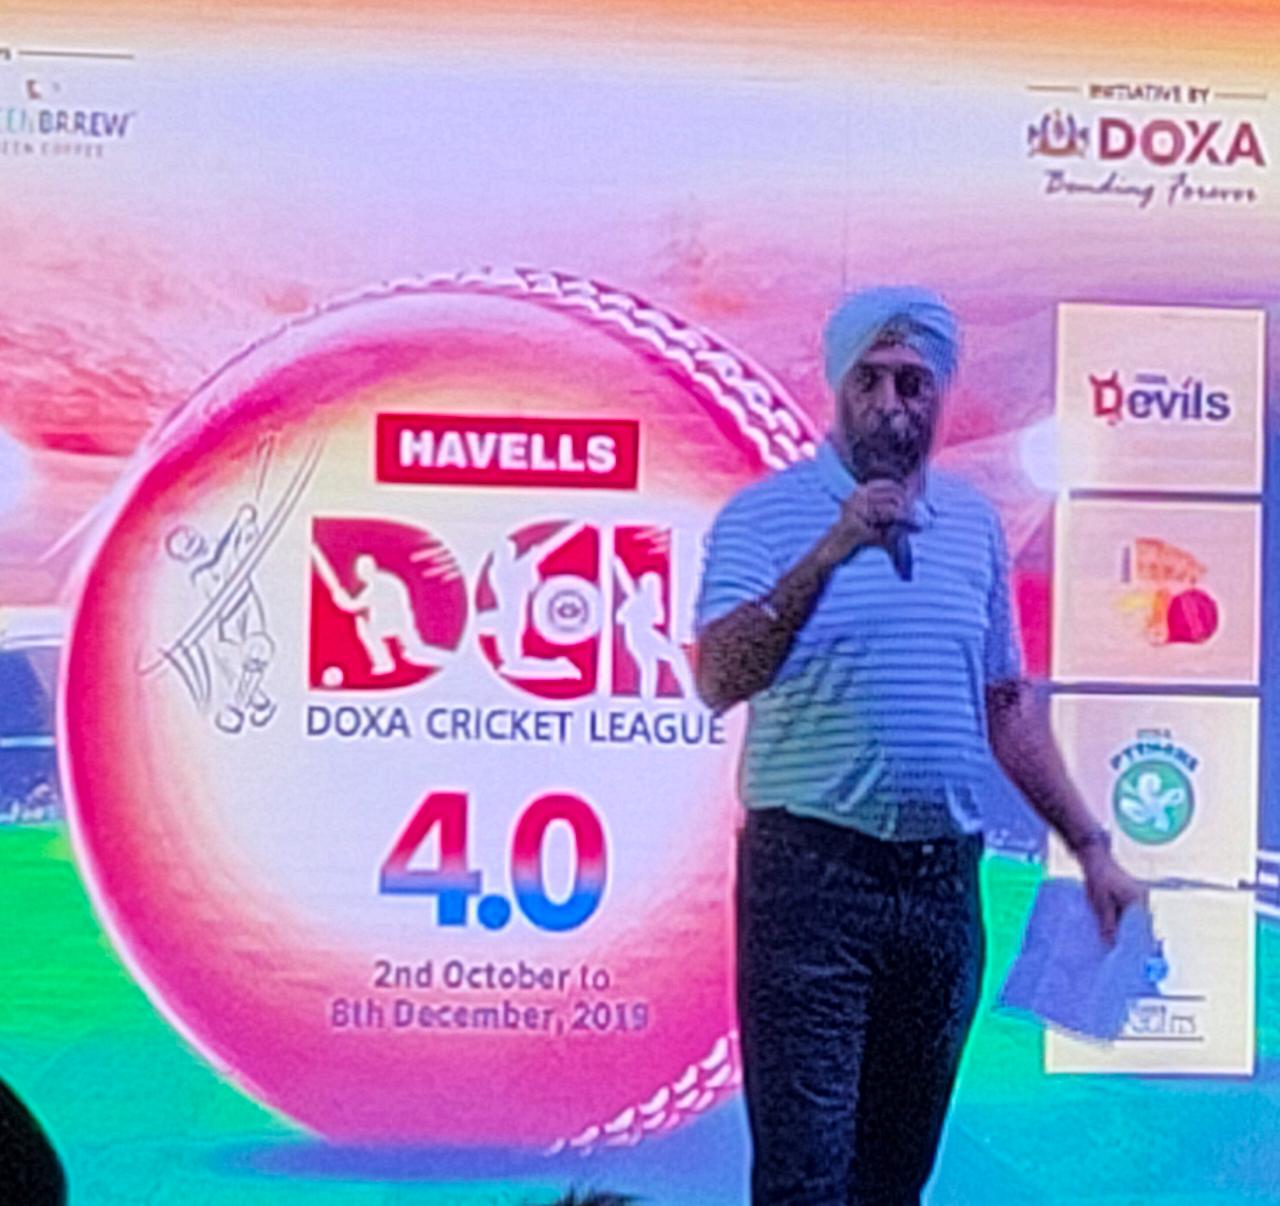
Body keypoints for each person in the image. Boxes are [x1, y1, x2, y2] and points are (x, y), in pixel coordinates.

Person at [694, 286, 1144, 1206]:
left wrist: (1092, 845)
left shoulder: (973, 526)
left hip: (941, 890)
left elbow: (1006, 704)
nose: (890, 404)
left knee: (894, 1180)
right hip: (811, 885)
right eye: (869, 379)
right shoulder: (764, 518)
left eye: (912, 382)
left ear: (940, 394)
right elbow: (720, 676)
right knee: (806, 1181)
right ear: (838, 388)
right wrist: (832, 549)